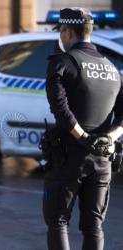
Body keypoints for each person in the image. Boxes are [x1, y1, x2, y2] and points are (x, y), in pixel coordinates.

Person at [43, 7, 123, 250]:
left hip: (69, 155)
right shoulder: (112, 69)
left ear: (67, 32)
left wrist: (84, 138)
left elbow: (60, 108)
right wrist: (107, 139)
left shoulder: (62, 62)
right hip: (102, 159)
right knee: (93, 227)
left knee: (58, 221)